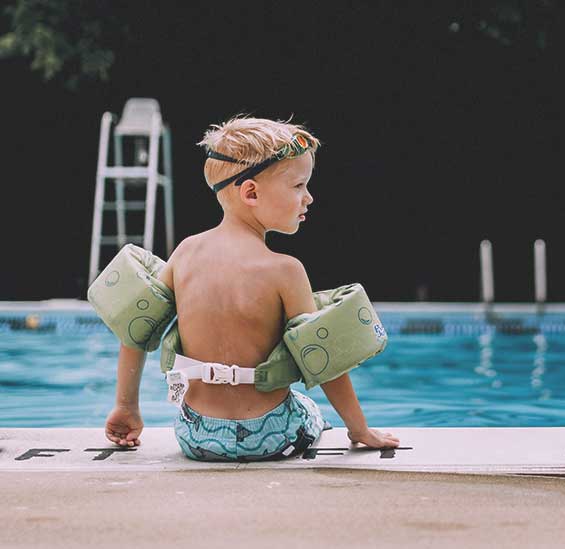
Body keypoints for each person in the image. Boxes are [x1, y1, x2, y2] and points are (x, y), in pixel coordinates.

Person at [103, 115, 400, 461]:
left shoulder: (185, 252)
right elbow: (325, 361)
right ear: (251, 192)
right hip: (270, 434)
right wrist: (360, 430)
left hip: (198, 435)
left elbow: (136, 329)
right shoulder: (286, 271)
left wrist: (126, 407)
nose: (309, 198)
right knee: (307, 408)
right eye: (298, 186)